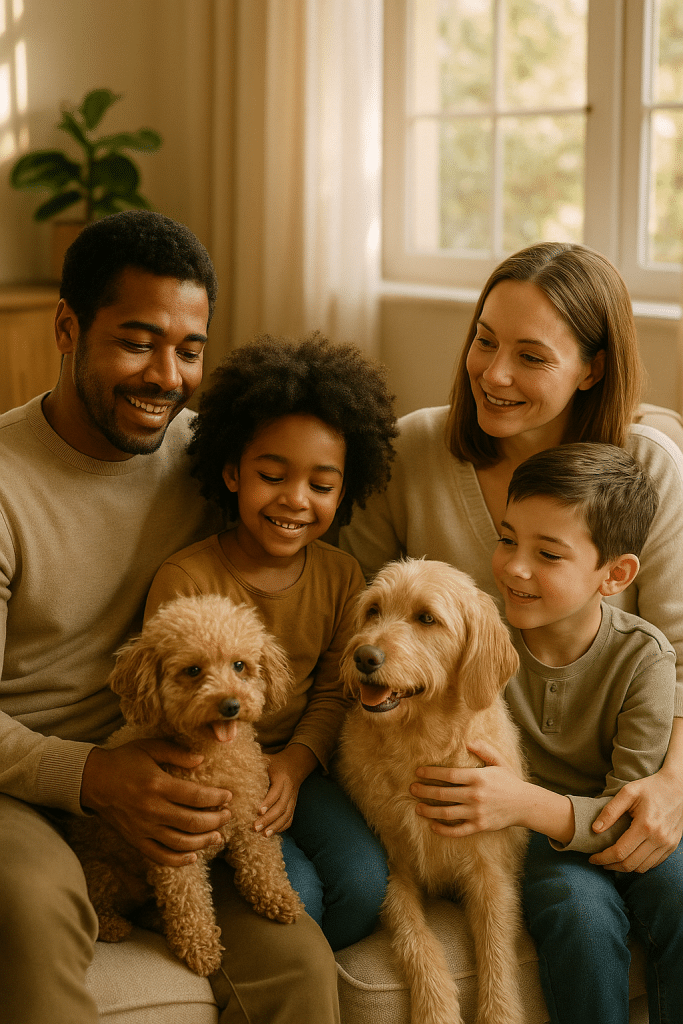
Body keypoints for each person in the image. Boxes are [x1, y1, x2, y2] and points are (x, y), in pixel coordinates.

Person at [0, 211, 340, 1024]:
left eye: (189, 349)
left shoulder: (209, 462)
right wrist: (95, 776)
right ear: (66, 328)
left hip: (191, 766)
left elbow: (315, 517)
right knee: (34, 916)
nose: (167, 375)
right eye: (137, 340)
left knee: (297, 963)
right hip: (26, 781)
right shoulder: (7, 486)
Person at [340, 241, 683, 875]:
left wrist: (674, 784)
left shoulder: (651, 468)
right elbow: (351, 609)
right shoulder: (411, 449)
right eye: (484, 341)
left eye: (531, 357)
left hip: (606, 776)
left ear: (592, 369)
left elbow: (679, 650)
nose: (494, 374)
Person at [411, 443, 683, 1023]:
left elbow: (629, 813)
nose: (514, 567)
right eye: (508, 539)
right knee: (578, 912)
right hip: (525, 842)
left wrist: (525, 801)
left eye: (549, 554)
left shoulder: (644, 659)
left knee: (679, 884)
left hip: (595, 820)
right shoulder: (479, 644)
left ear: (615, 575)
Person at [144, 333, 396, 951]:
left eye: (321, 484)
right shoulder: (185, 578)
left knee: (364, 883)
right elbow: (162, 701)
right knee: (300, 894)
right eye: (272, 475)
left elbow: (341, 689)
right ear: (232, 472)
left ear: (346, 489)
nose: (295, 500)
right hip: (215, 768)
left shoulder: (342, 577)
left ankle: (315, 971)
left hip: (298, 767)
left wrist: (297, 760)